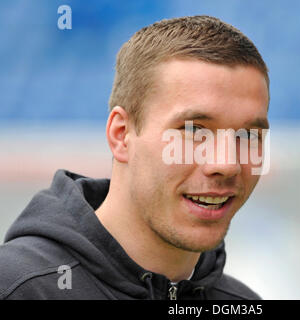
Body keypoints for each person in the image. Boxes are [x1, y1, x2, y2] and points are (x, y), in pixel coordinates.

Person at [0, 15, 270, 300]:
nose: (227, 164)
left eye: (249, 135)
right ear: (121, 134)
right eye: (195, 130)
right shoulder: (19, 289)